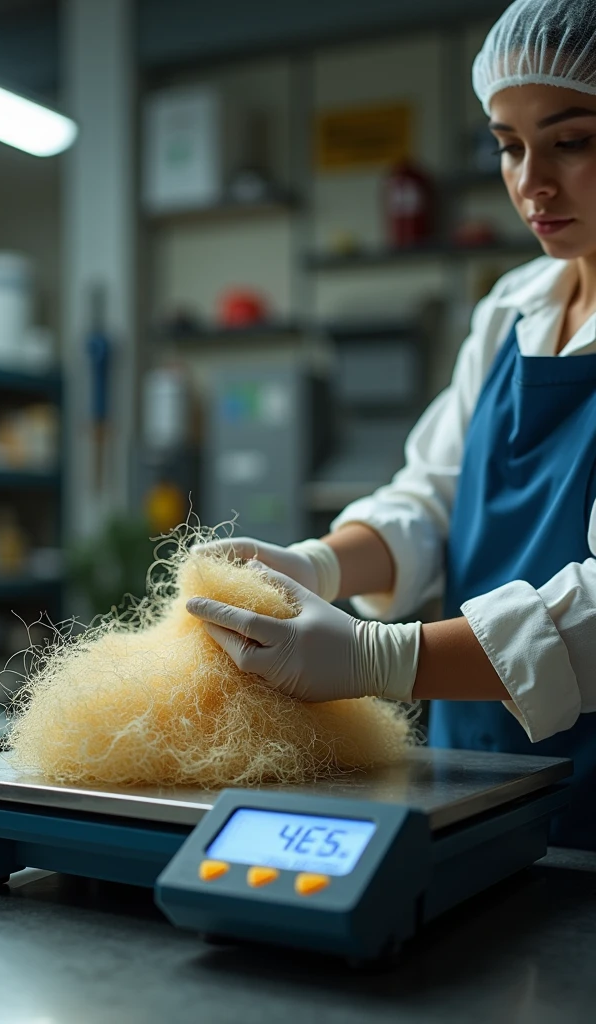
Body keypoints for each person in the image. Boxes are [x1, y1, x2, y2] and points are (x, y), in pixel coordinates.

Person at [187, 0, 596, 850]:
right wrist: (320, 563)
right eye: (509, 145)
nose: (531, 183)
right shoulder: (514, 310)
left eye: (573, 139)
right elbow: (432, 496)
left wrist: (382, 657)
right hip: (476, 778)